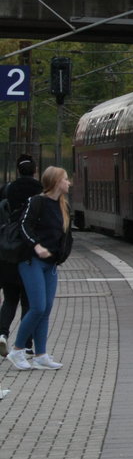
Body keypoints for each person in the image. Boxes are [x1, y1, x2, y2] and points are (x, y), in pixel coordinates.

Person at [6, 166, 73, 371]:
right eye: (65, 179)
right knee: (38, 307)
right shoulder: (36, 202)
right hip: (31, 261)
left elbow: (64, 235)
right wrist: (36, 245)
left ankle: (41, 354)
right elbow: (23, 226)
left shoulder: (63, 206)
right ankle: (18, 350)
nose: (69, 182)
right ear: (55, 182)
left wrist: (60, 255)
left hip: (50, 264)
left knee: (46, 309)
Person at [0, 153, 39, 358]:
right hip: (28, 255)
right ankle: (25, 343)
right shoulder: (39, 191)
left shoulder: (8, 189)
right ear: (34, 170)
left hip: (8, 252)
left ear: (17, 170)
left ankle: (2, 334)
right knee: (28, 301)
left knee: (9, 299)